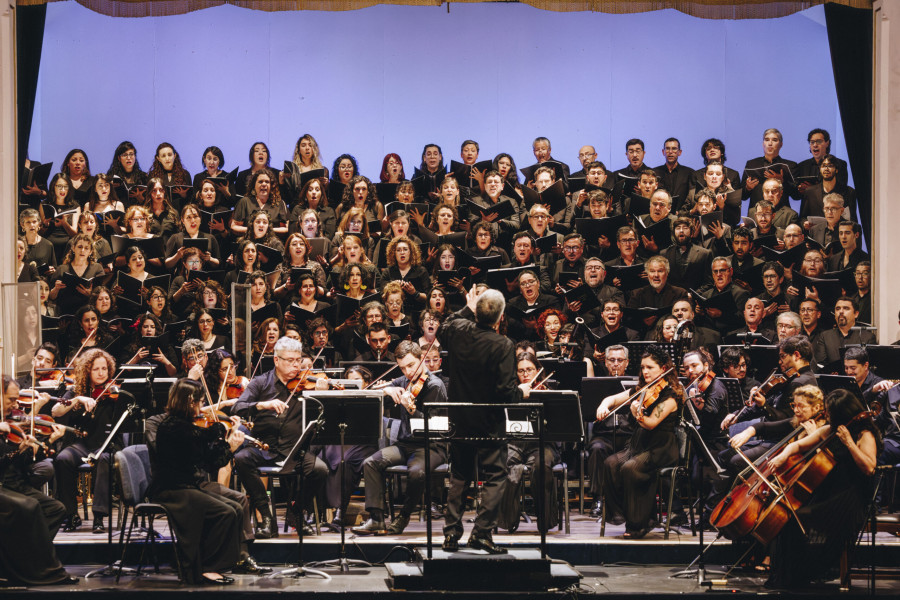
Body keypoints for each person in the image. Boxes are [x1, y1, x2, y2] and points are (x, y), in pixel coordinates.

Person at [437, 286, 533, 553]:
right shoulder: (503, 344)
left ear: (475, 312)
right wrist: (521, 392)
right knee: (495, 477)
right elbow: (505, 392)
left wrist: (467, 308)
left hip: (460, 419)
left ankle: (451, 534)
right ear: (501, 317)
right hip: (489, 422)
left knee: (459, 476)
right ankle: (481, 534)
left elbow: (443, 327)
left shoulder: (459, 330)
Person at [765, 389, 880, 589]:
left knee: (800, 520)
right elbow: (797, 446)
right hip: (827, 492)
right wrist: (783, 456)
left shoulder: (864, 434)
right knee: (788, 517)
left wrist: (849, 443)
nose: (826, 415)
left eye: (829, 412)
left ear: (842, 413)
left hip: (851, 496)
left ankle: (805, 573)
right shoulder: (829, 430)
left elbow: (869, 468)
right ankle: (789, 576)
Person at [147, 378, 246, 584]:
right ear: (190, 401)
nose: (202, 408)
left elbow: (209, 459)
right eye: (200, 402)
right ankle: (207, 568)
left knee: (236, 508)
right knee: (225, 512)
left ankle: (220, 564)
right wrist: (225, 441)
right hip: (170, 490)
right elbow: (207, 457)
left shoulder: (186, 426)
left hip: (187, 486)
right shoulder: (173, 427)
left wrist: (226, 443)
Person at [232, 337, 328, 538]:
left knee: (319, 469)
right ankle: (266, 516)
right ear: (276, 360)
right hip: (264, 447)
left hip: (295, 450)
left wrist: (323, 393)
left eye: (298, 360)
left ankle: (296, 512)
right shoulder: (260, 383)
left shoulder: (305, 383)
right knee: (241, 459)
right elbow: (238, 407)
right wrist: (262, 405)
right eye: (290, 360)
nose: (296, 365)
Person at [354, 341, 448, 535]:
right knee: (371, 463)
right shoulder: (404, 381)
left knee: (417, 472)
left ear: (421, 359)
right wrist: (386, 390)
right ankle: (376, 519)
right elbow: (371, 392)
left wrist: (411, 409)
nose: (408, 372)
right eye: (403, 368)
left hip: (431, 446)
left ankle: (404, 516)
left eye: (411, 365)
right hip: (405, 445)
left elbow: (433, 426)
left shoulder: (434, 386)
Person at [597, 345, 684, 538]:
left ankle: (640, 523)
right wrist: (604, 405)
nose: (645, 371)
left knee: (631, 469)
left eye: (650, 367)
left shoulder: (671, 396)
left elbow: (651, 423)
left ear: (663, 369)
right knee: (610, 464)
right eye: (643, 367)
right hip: (640, 445)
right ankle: (622, 513)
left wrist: (636, 413)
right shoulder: (642, 389)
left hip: (660, 448)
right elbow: (613, 399)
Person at [55, 348, 135, 532]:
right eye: (96, 369)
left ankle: (98, 516)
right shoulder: (76, 391)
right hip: (81, 444)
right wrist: (78, 399)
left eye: (104, 369)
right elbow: (56, 411)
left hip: (107, 444)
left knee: (105, 460)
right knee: (62, 459)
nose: (101, 373)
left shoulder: (114, 393)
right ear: (87, 371)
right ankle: (71, 514)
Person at [496, 352, 560, 534]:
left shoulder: (547, 392)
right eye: (521, 371)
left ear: (538, 370)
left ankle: (545, 520)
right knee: (502, 462)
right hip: (515, 442)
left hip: (542, 443)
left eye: (529, 370)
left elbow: (557, 425)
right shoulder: (511, 392)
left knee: (542, 465)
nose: (525, 374)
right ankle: (508, 519)